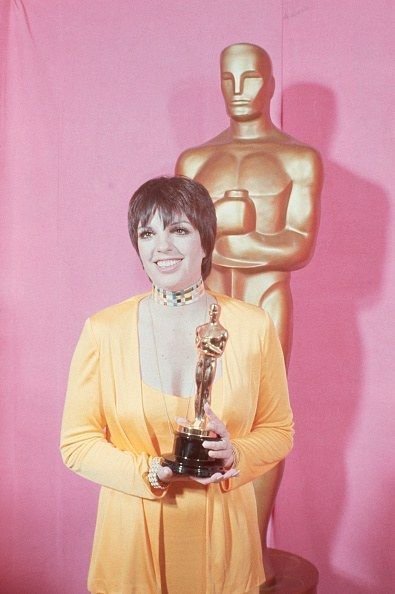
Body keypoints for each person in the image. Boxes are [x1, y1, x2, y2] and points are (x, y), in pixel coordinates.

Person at [60, 175, 294, 594]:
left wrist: (235, 451)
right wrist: (150, 471)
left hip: (224, 543)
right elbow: (76, 444)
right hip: (131, 543)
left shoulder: (253, 326)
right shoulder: (103, 330)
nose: (161, 246)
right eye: (147, 233)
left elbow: (279, 432)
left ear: (206, 241)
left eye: (178, 230)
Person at [176, 42, 322, 583]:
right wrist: (241, 230)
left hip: (264, 303)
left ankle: (252, 553)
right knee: (201, 416)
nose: (239, 92)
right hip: (205, 305)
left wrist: (227, 228)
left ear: (270, 81)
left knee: (262, 420)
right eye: (228, 80)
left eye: (251, 79)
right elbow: (181, 247)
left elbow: (298, 246)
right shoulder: (194, 160)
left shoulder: (297, 158)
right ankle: (213, 548)